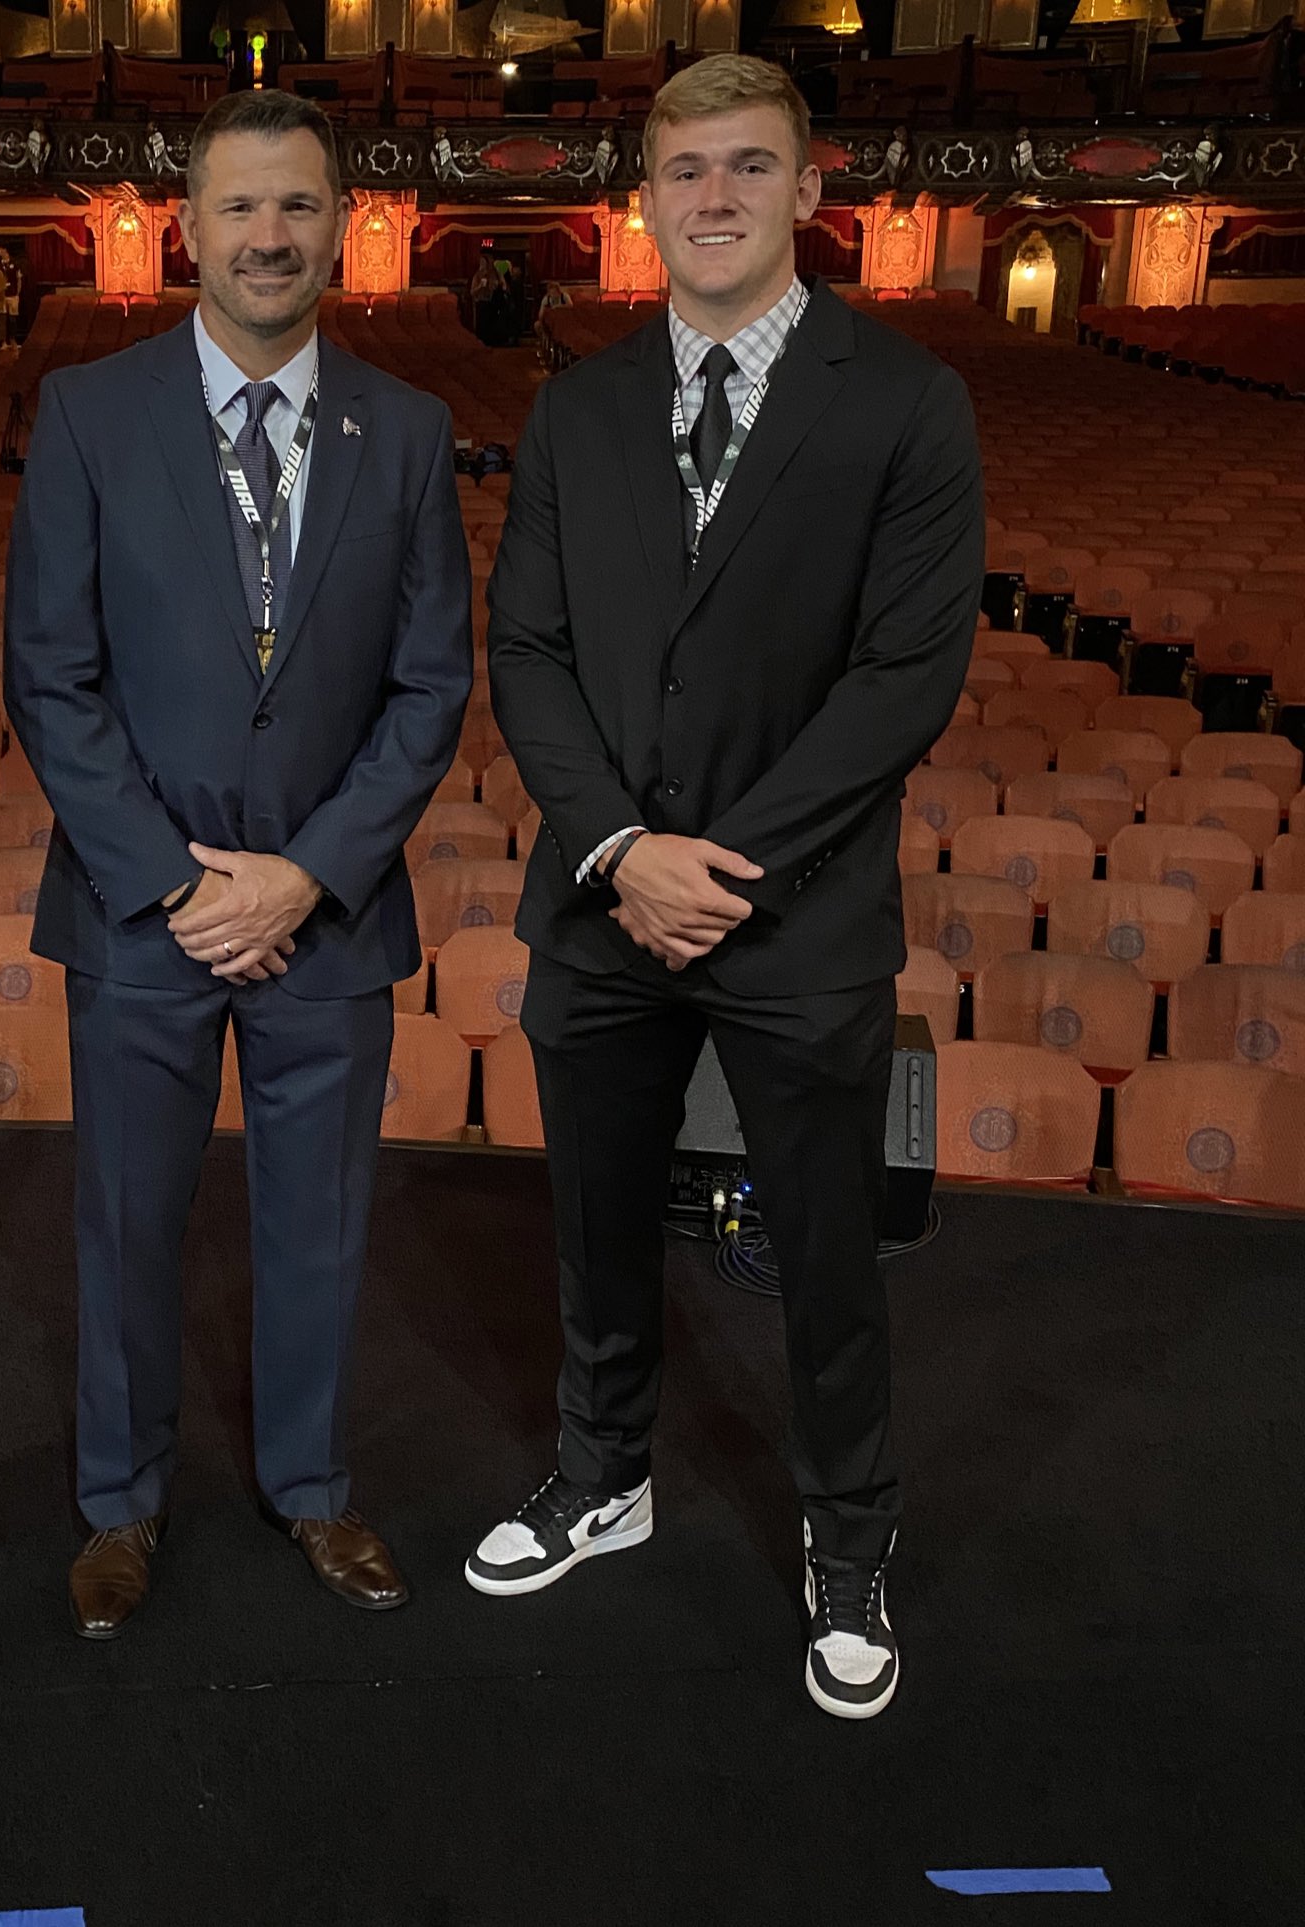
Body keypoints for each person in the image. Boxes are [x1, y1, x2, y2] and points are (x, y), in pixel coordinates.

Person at [469, 55, 981, 1721]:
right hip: (601, 903)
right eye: (682, 170)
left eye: (745, 168)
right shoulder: (578, 403)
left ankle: (847, 1535)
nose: (710, 198)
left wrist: (720, 867)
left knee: (823, 1249)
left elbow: (905, 675)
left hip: (797, 910)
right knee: (596, 1222)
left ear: (806, 190)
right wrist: (620, 850)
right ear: (644, 194)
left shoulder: (901, 398)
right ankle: (600, 1471)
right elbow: (527, 650)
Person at [3, 89, 472, 1639]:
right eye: (242, 209)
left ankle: (313, 1484)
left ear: (342, 224)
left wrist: (306, 874)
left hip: (328, 919)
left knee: (321, 1216)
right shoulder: (86, 410)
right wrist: (185, 881)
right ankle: (120, 1504)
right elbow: (52, 676)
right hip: (143, 909)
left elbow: (430, 687)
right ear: (186, 229)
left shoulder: (403, 430)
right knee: (128, 1218)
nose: (271, 236)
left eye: (300, 207)